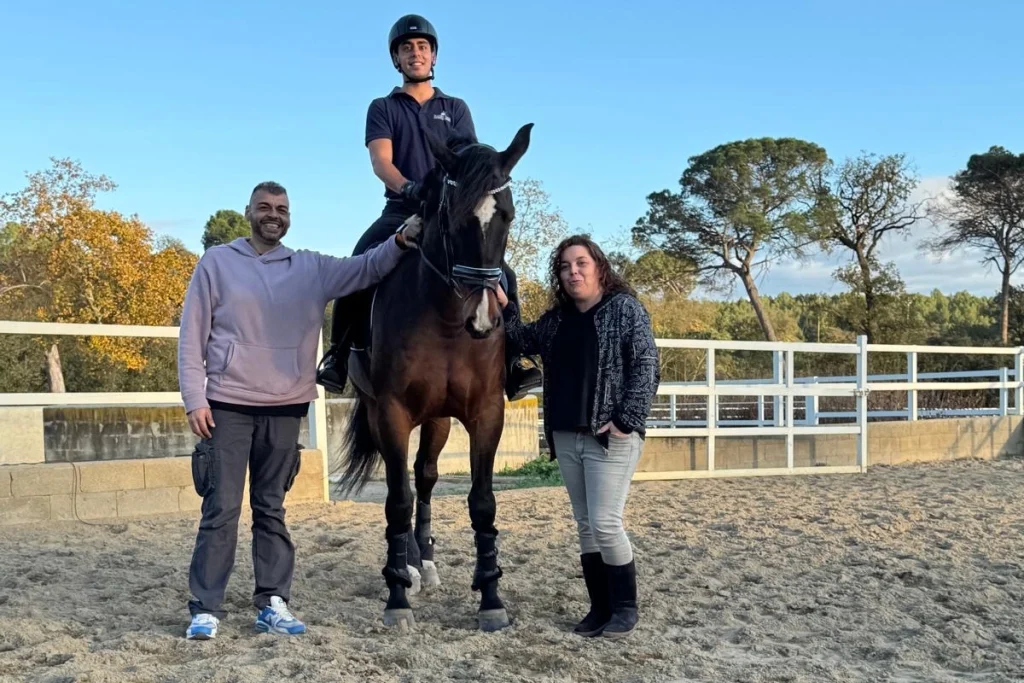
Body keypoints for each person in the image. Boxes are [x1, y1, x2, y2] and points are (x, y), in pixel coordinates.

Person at [177, 181, 421, 640]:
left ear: (289, 217)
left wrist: (402, 239)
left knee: (271, 509)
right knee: (221, 509)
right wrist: (195, 397)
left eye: (282, 209)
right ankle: (205, 608)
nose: (273, 214)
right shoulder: (217, 262)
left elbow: (367, 267)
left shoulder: (311, 268)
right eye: (265, 207)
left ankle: (272, 601)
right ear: (248, 212)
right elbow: (192, 334)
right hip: (227, 405)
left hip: (285, 406)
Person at [315, 13, 542, 401]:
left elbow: (470, 161)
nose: (415, 53)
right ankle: (339, 355)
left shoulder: (455, 107)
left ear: (433, 56)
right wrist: (410, 188)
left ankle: (516, 360)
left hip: (451, 212)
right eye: (407, 48)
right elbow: (381, 162)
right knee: (360, 260)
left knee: (504, 274)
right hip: (402, 209)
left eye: (422, 47)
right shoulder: (383, 107)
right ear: (396, 59)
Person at [496, 235, 660, 639]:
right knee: (586, 526)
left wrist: (626, 419)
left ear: (598, 267)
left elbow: (646, 365)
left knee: (605, 523)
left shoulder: (624, 309)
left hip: (609, 435)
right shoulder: (557, 320)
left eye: (581, 263)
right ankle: (600, 608)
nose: (573, 272)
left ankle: (625, 608)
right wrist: (506, 305)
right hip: (567, 435)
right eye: (565, 266)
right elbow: (522, 338)